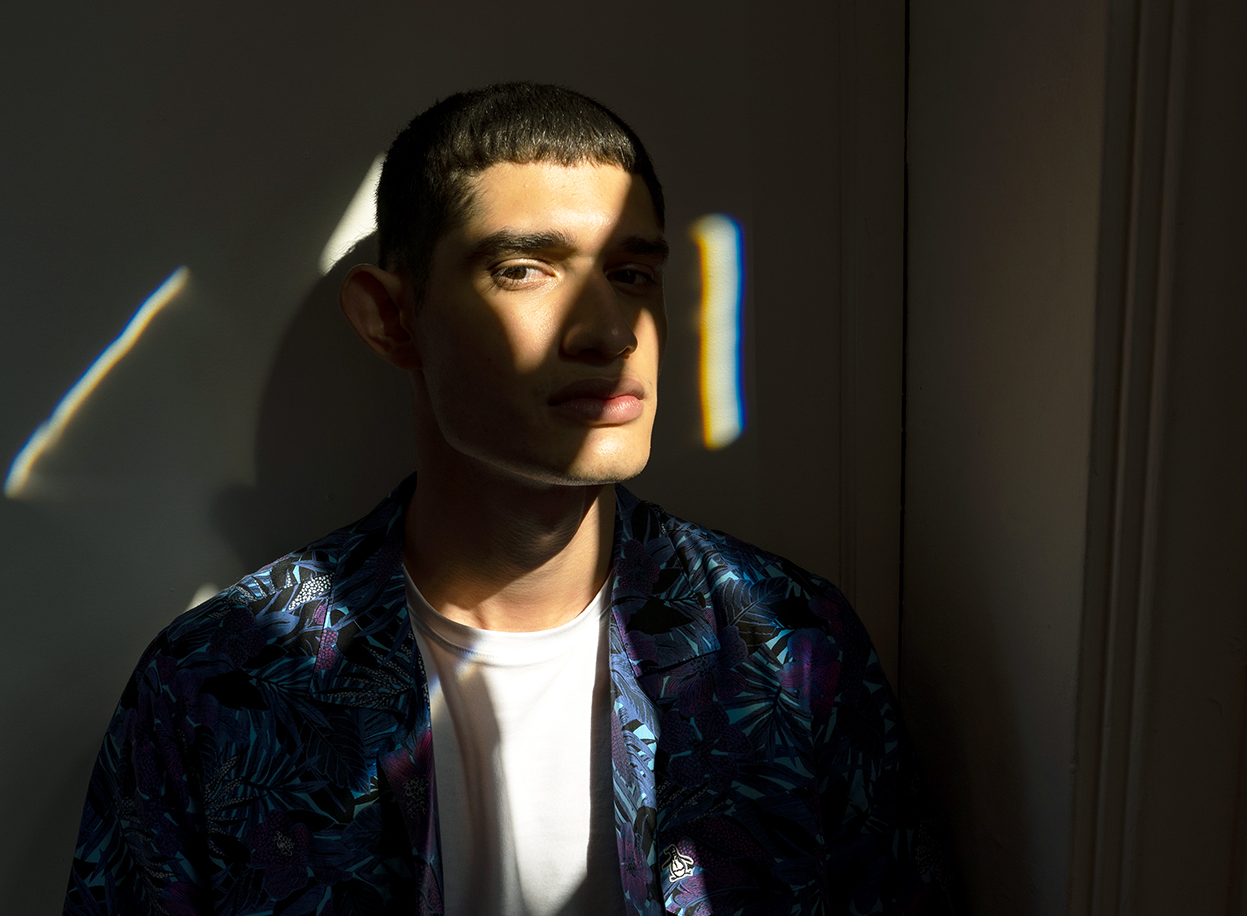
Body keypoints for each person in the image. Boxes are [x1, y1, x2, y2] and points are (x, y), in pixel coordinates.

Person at [63, 82, 954, 916]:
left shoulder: (790, 647)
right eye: (526, 268)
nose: (609, 331)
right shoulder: (220, 682)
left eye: (632, 274)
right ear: (392, 319)